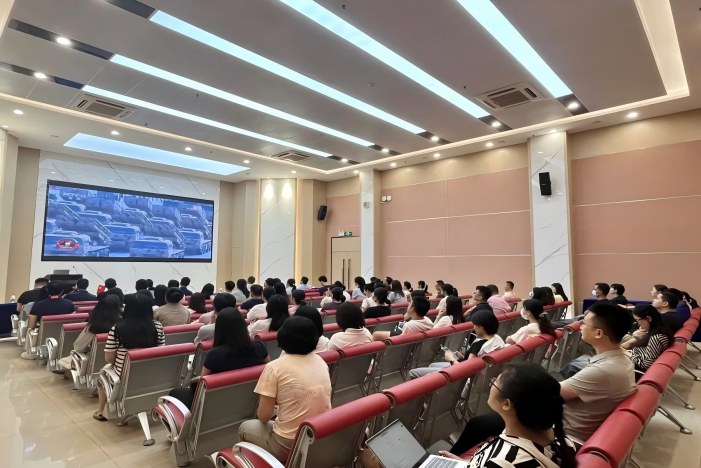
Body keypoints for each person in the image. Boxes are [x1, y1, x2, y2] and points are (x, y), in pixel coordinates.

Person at [449, 302, 636, 451]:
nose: (580, 325)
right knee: (484, 421)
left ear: (599, 333)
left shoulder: (605, 370)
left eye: (585, 323)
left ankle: (453, 459)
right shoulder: (620, 360)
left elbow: (547, 395)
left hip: (562, 435)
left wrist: (505, 384)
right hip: (563, 424)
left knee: (483, 420)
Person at [439, 363, 576, 468]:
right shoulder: (562, 440)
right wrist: (465, 464)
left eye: (494, 382)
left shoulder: (504, 462)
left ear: (506, 404)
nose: (491, 384)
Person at [239, 316, 332, 462]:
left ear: (282, 337)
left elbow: (263, 416)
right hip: (320, 434)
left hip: (288, 443)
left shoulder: (274, 367)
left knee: (244, 427)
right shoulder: (320, 361)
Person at [171, 308, 270, 409]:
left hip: (215, 405)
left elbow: (201, 388)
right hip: (249, 403)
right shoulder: (259, 347)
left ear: (219, 329)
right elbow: (269, 373)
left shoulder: (215, 355)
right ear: (242, 325)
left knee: (175, 392)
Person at [94, 293, 165, 421]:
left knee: (103, 373)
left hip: (124, 376)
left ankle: (101, 410)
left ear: (127, 309)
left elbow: (109, 359)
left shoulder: (117, 329)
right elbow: (161, 352)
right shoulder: (158, 327)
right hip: (152, 374)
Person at [407, 309, 503, 379]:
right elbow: (473, 360)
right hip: (469, 374)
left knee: (412, 373)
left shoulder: (478, 344)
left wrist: (451, 359)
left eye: (475, 325)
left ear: (481, 327)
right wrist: (462, 356)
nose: (473, 327)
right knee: (432, 365)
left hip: (457, 375)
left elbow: (467, 369)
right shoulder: (497, 339)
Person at [622, 305, 673, 372]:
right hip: (635, 357)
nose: (637, 324)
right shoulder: (660, 328)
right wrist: (637, 337)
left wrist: (627, 353)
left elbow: (646, 365)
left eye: (638, 320)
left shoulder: (656, 337)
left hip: (634, 368)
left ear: (648, 318)